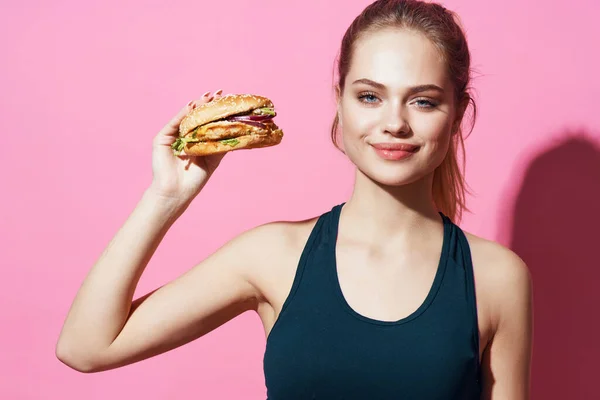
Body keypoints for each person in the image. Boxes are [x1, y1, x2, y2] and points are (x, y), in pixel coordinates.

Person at [56, 0, 533, 398]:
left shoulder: (495, 277)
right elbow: (86, 347)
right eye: (369, 96)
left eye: (423, 100)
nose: (395, 123)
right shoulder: (271, 256)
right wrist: (165, 196)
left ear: (457, 114)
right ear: (340, 101)